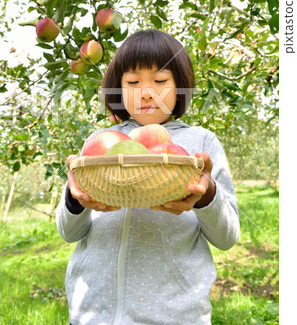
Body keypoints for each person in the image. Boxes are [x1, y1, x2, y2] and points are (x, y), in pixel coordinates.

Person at [56, 29, 240, 325]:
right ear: (118, 88)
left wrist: (207, 195)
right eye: (132, 82)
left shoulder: (200, 145)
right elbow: (68, 232)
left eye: (160, 81)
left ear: (181, 86)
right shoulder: (100, 143)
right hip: (93, 312)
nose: (146, 91)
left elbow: (227, 237)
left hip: (174, 314)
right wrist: (75, 198)